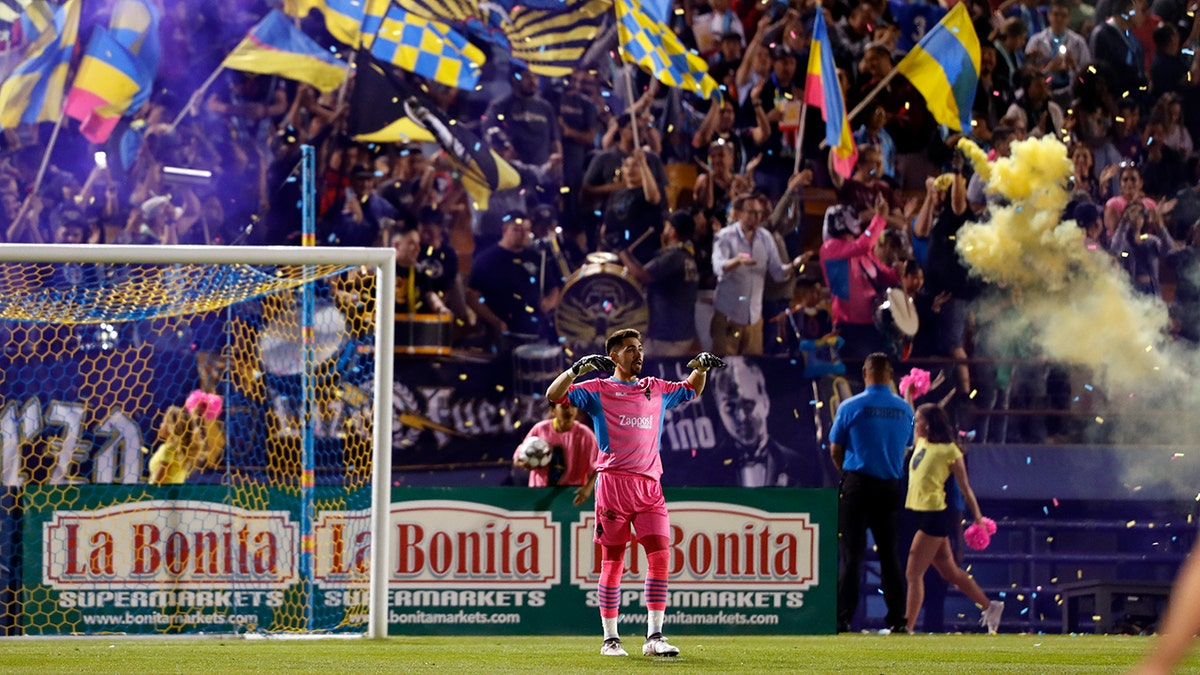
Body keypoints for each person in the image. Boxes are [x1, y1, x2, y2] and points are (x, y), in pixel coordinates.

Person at [545, 329, 725, 657]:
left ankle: (654, 637)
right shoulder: (598, 389)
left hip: (650, 486)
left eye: (639, 348)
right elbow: (554, 395)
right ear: (614, 357)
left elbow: (690, 390)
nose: (637, 354)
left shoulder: (654, 387)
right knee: (613, 562)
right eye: (630, 349)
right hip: (613, 485)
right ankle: (610, 640)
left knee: (660, 557)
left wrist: (700, 368)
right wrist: (575, 370)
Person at [903, 402, 1004, 634]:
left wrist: (978, 519)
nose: (915, 424)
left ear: (927, 424)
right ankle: (990, 606)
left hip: (935, 516)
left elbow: (965, 488)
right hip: (921, 514)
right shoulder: (921, 443)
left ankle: (905, 627)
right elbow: (910, 411)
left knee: (913, 572)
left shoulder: (949, 450)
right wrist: (909, 393)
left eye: (918, 420)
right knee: (950, 572)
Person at [829, 353, 912, 633]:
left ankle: (842, 619)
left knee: (851, 556)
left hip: (858, 484)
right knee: (890, 556)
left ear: (865, 373)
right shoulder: (905, 410)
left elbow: (835, 448)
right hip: (889, 486)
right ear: (890, 375)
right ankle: (898, 620)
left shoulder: (850, 406)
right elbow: (904, 448)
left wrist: (847, 473)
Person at [513, 401, 600, 503]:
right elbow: (518, 457)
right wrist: (524, 464)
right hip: (539, 493)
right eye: (564, 407)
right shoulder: (540, 429)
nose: (570, 411)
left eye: (573, 407)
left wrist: (588, 488)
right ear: (553, 410)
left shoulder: (586, 435)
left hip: (571, 495)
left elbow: (600, 467)